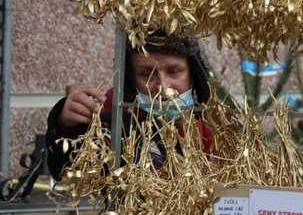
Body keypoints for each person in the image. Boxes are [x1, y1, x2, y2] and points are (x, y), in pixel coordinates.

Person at [45, 31, 213, 181]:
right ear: (131, 80)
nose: (163, 87)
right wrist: (66, 128)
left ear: (193, 73)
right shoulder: (112, 122)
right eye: (147, 74)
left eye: (174, 71)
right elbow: (69, 174)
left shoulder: (219, 124)